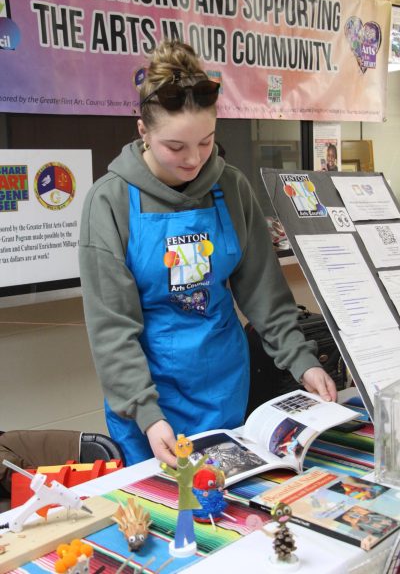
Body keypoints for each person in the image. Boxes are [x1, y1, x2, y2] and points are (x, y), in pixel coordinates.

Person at [79, 39, 336, 468]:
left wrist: (302, 361)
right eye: (175, 147)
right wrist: (146, 412)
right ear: (143, 132)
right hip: (149, 401)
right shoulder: (110, 202)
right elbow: (111, 329)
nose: (194, 160)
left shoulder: (231, 188)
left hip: (223, 388)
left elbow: (263, 294)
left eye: (206, 141)